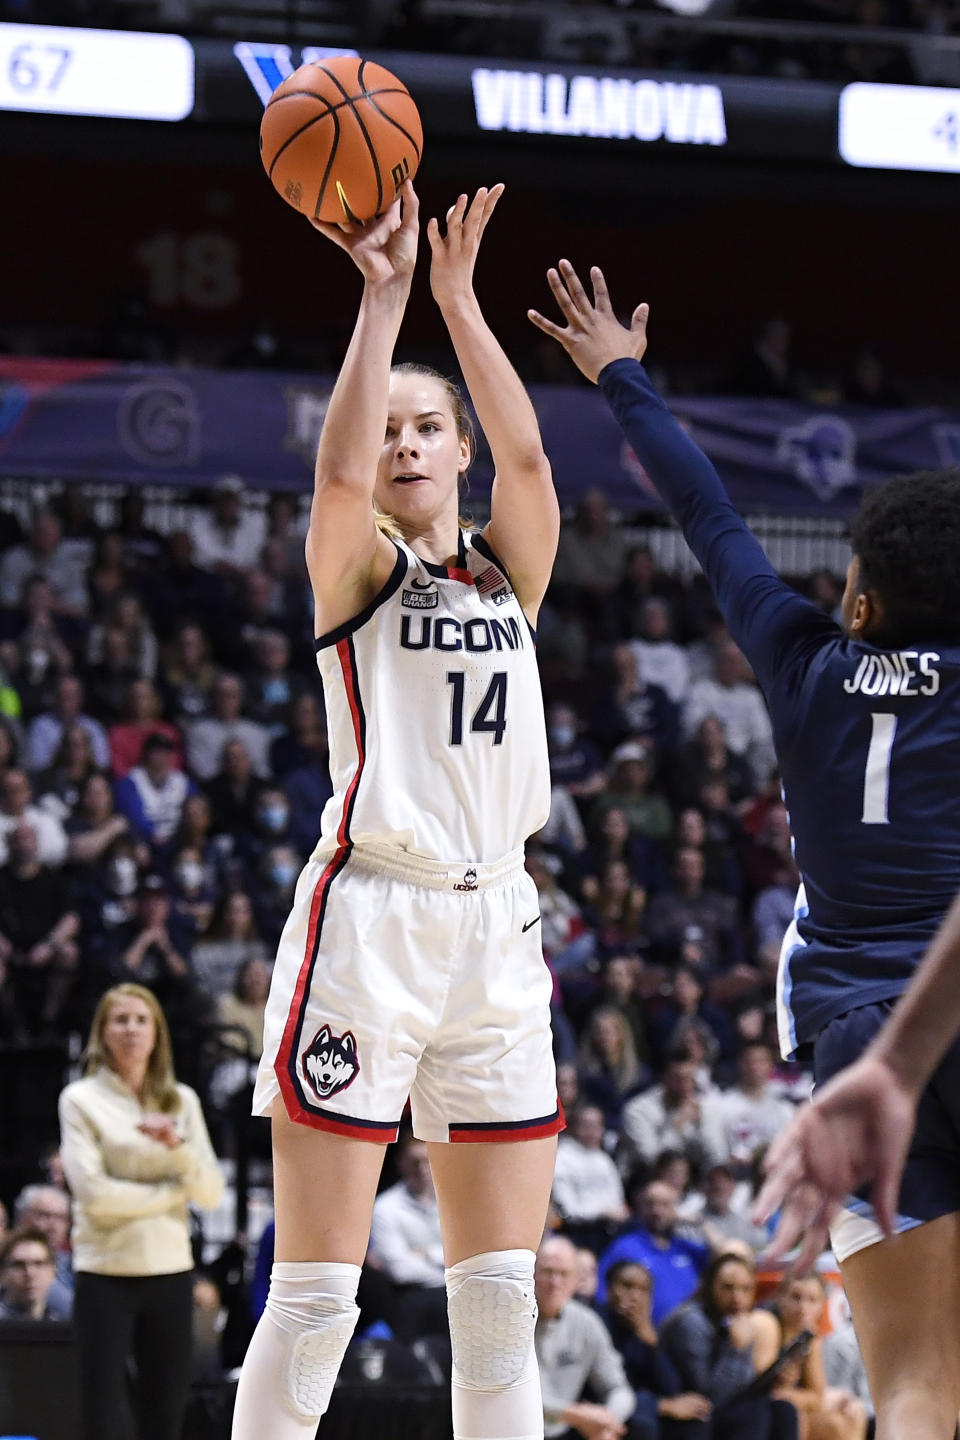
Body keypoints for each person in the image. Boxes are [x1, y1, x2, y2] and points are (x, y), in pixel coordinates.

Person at [529, 258, 960, 1439]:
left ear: (858, 605)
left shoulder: (802, 658)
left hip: (865, 1039)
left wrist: (620, 373)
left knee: (918, 1386)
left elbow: (707, 513)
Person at [231, 180, 563, 1440]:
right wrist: (380, 300)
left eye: (432, 428)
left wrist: (461, 302)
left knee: (498, 1302)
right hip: (373, 919)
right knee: (318, 1295)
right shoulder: (358, 570)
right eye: (394, 433)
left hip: (498, 931)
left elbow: (533, 457)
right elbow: (332, 473)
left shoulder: (508, 574)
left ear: (460, 448)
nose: (410, 446)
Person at [58, 983, 224, 1440]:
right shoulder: (80, 1100)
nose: (131, 1029)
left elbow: (209, 1192)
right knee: (102, 1416)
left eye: (141, 1020)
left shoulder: (182, 1101)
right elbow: (93, 1196)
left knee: (165, 1416)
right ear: (103, 1032)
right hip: (104, 1272)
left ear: (157, 1033)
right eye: (120, 1020)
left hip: (169, 1271)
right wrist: (172, 1194)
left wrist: (176, 1146)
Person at [657, 1251, 798, 1440]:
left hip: (723, 1408)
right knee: (753, 1411)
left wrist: (775, 1380)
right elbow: (711, 1397)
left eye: (745, 1289)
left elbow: (743, 1387)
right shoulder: (691, 1322)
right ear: (710, 1287)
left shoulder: (737, 1320)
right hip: (687, 1415)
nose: (737, 1297)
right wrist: (737, 1350)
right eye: (728, 1288)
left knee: (783, 1409)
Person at [534, 1235, 640, 1440]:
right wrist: (577, 1415)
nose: (555, 1282)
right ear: (532, 1274)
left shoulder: (587, 1322)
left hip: (562, 1430)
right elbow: (517, 1398)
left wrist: (608, 1421)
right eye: (548, 1272)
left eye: (563, 1274)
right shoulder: (511, 1320)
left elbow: (619, 1388)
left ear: (576, 1281)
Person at [752, 1275, 867, 1440]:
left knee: (854, 1411)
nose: (803, 1307)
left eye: (812, 1300)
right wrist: (791, 1393)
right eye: (796, 1297)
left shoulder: (811, 1338)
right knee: (824, 1424)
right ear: (780, 1297)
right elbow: (765, 1390)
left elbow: (816, 1394)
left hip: (791, 1403)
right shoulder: (768, 1324)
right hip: (762, 1408)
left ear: (821, 1305)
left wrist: (793, 1394)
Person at [596, 1180, 708, 1326]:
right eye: (650, 1204)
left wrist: (701, 1223)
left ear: (675, 1209)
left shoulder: (688, 1248)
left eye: (664, 1204)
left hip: (685, 1336)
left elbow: (725, 1258)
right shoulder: (623, 1247)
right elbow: (602, 1293)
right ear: (640, 1207)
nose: (657, 1211)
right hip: (638, 1336)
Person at [0, 1227, 72, 1322]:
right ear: (3, 1272)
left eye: (39, 1264)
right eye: (19, 1265)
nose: (30, 1273)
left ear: (53, 1272)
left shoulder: (66, 1323)